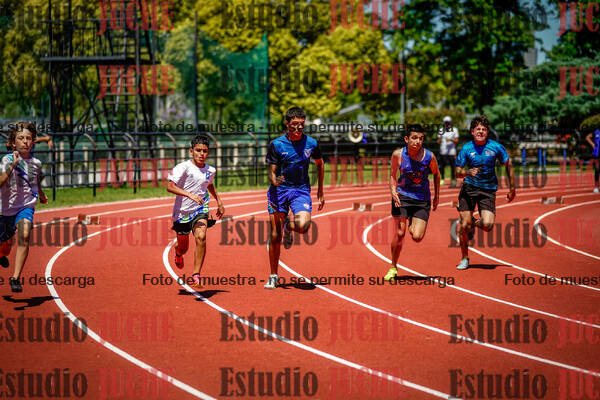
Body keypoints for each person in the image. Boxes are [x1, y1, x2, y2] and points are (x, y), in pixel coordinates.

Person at [265, 107, 325, 289]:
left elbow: (320, 164)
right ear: (287, 124)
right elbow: (271, 171)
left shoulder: (311, 143)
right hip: (279, 192)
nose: (298, 128)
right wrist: (274, 180)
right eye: (295, 125)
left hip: (300, 190)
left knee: (303, 225)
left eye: (301, 125)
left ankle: (287, 226)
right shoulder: (277, 144)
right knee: (275, 236)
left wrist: (320, 190)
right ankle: (273, 275)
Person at [454, 115, 516, 270]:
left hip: (487, 190)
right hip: (469, 189)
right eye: (478, 129)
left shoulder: (496, 147)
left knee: (487, 225)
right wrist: (466, 172)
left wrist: (512, 188)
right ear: (472, 131)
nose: (480, 132)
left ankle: (472, 222)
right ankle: (464, 258)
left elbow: (508, 165)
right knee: (464, 226)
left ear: (487, 132)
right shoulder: (466, 148)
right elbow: (457, 172)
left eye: (484, 129)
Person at [167, 135, 225, 289]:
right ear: (191, 151)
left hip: (200, 208)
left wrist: (219, 201)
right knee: (183, 248)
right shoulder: (183, 167)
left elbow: (209, 184)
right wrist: (190, 195)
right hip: (182, 212)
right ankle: (178, 253)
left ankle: (196, 275)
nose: (201, 154)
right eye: (198, 150)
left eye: (205, 151)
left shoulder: (210, 170)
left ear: (208, 153)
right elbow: (170, 187)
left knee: (201, 236)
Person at [385, 125, 440, 281]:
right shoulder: (398, 154)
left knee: (417, 236)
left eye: (421, 139)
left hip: (422, 199)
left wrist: (437, 196)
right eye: (414, 138)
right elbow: (393, 175)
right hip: (402, 196)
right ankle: (393, 267)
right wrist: (393, 191)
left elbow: (436, 174)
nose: (418, 142)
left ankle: (411, 221)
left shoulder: (429, 156)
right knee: (400, 233)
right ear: (406, 139)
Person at [0, 122, 48, 293]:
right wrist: (13, 165)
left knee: (24, 235)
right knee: (5, 248)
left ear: (33, 142)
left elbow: (35, 180)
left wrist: (41, 194)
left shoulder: (36, 163)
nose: (25, 141)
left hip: (25, 207)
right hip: (4, 210)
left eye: (29, 138)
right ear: (13, 143)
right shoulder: (6, 160)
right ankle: (2, 255)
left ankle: (15, 278)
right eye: (21, 138)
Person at [437, 116, 459, 187]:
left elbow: (457, 140)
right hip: (443, 151)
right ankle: (442, 179)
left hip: (452, 152)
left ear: (450, 122)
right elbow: (439, 140)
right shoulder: (441, 130)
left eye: (448, 122)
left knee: (453, 166)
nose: (447, 124)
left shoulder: (455, 130)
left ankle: (453, 179)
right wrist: (439, 141)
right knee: (442, 166)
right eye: (446, 122)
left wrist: (451, 140)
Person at [585, 127, 600, 193]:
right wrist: (593, 145)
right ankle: (596, 187)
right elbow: (587, 137)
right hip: (597, 154)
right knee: (597, 170)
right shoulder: (596, 132)